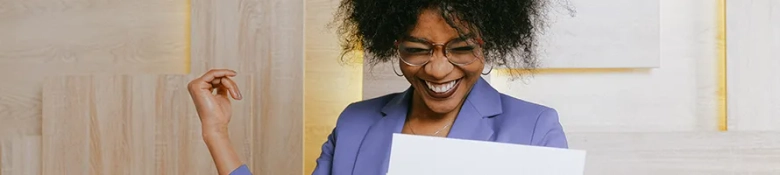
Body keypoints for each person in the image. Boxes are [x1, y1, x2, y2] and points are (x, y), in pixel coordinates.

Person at [187, 0, 568, 174]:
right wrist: (216, 133)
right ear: (393, 45)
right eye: (417, 50)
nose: (437, 69)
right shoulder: (356, 123)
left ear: (489, 43)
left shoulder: (534, 128)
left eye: (462, 48)